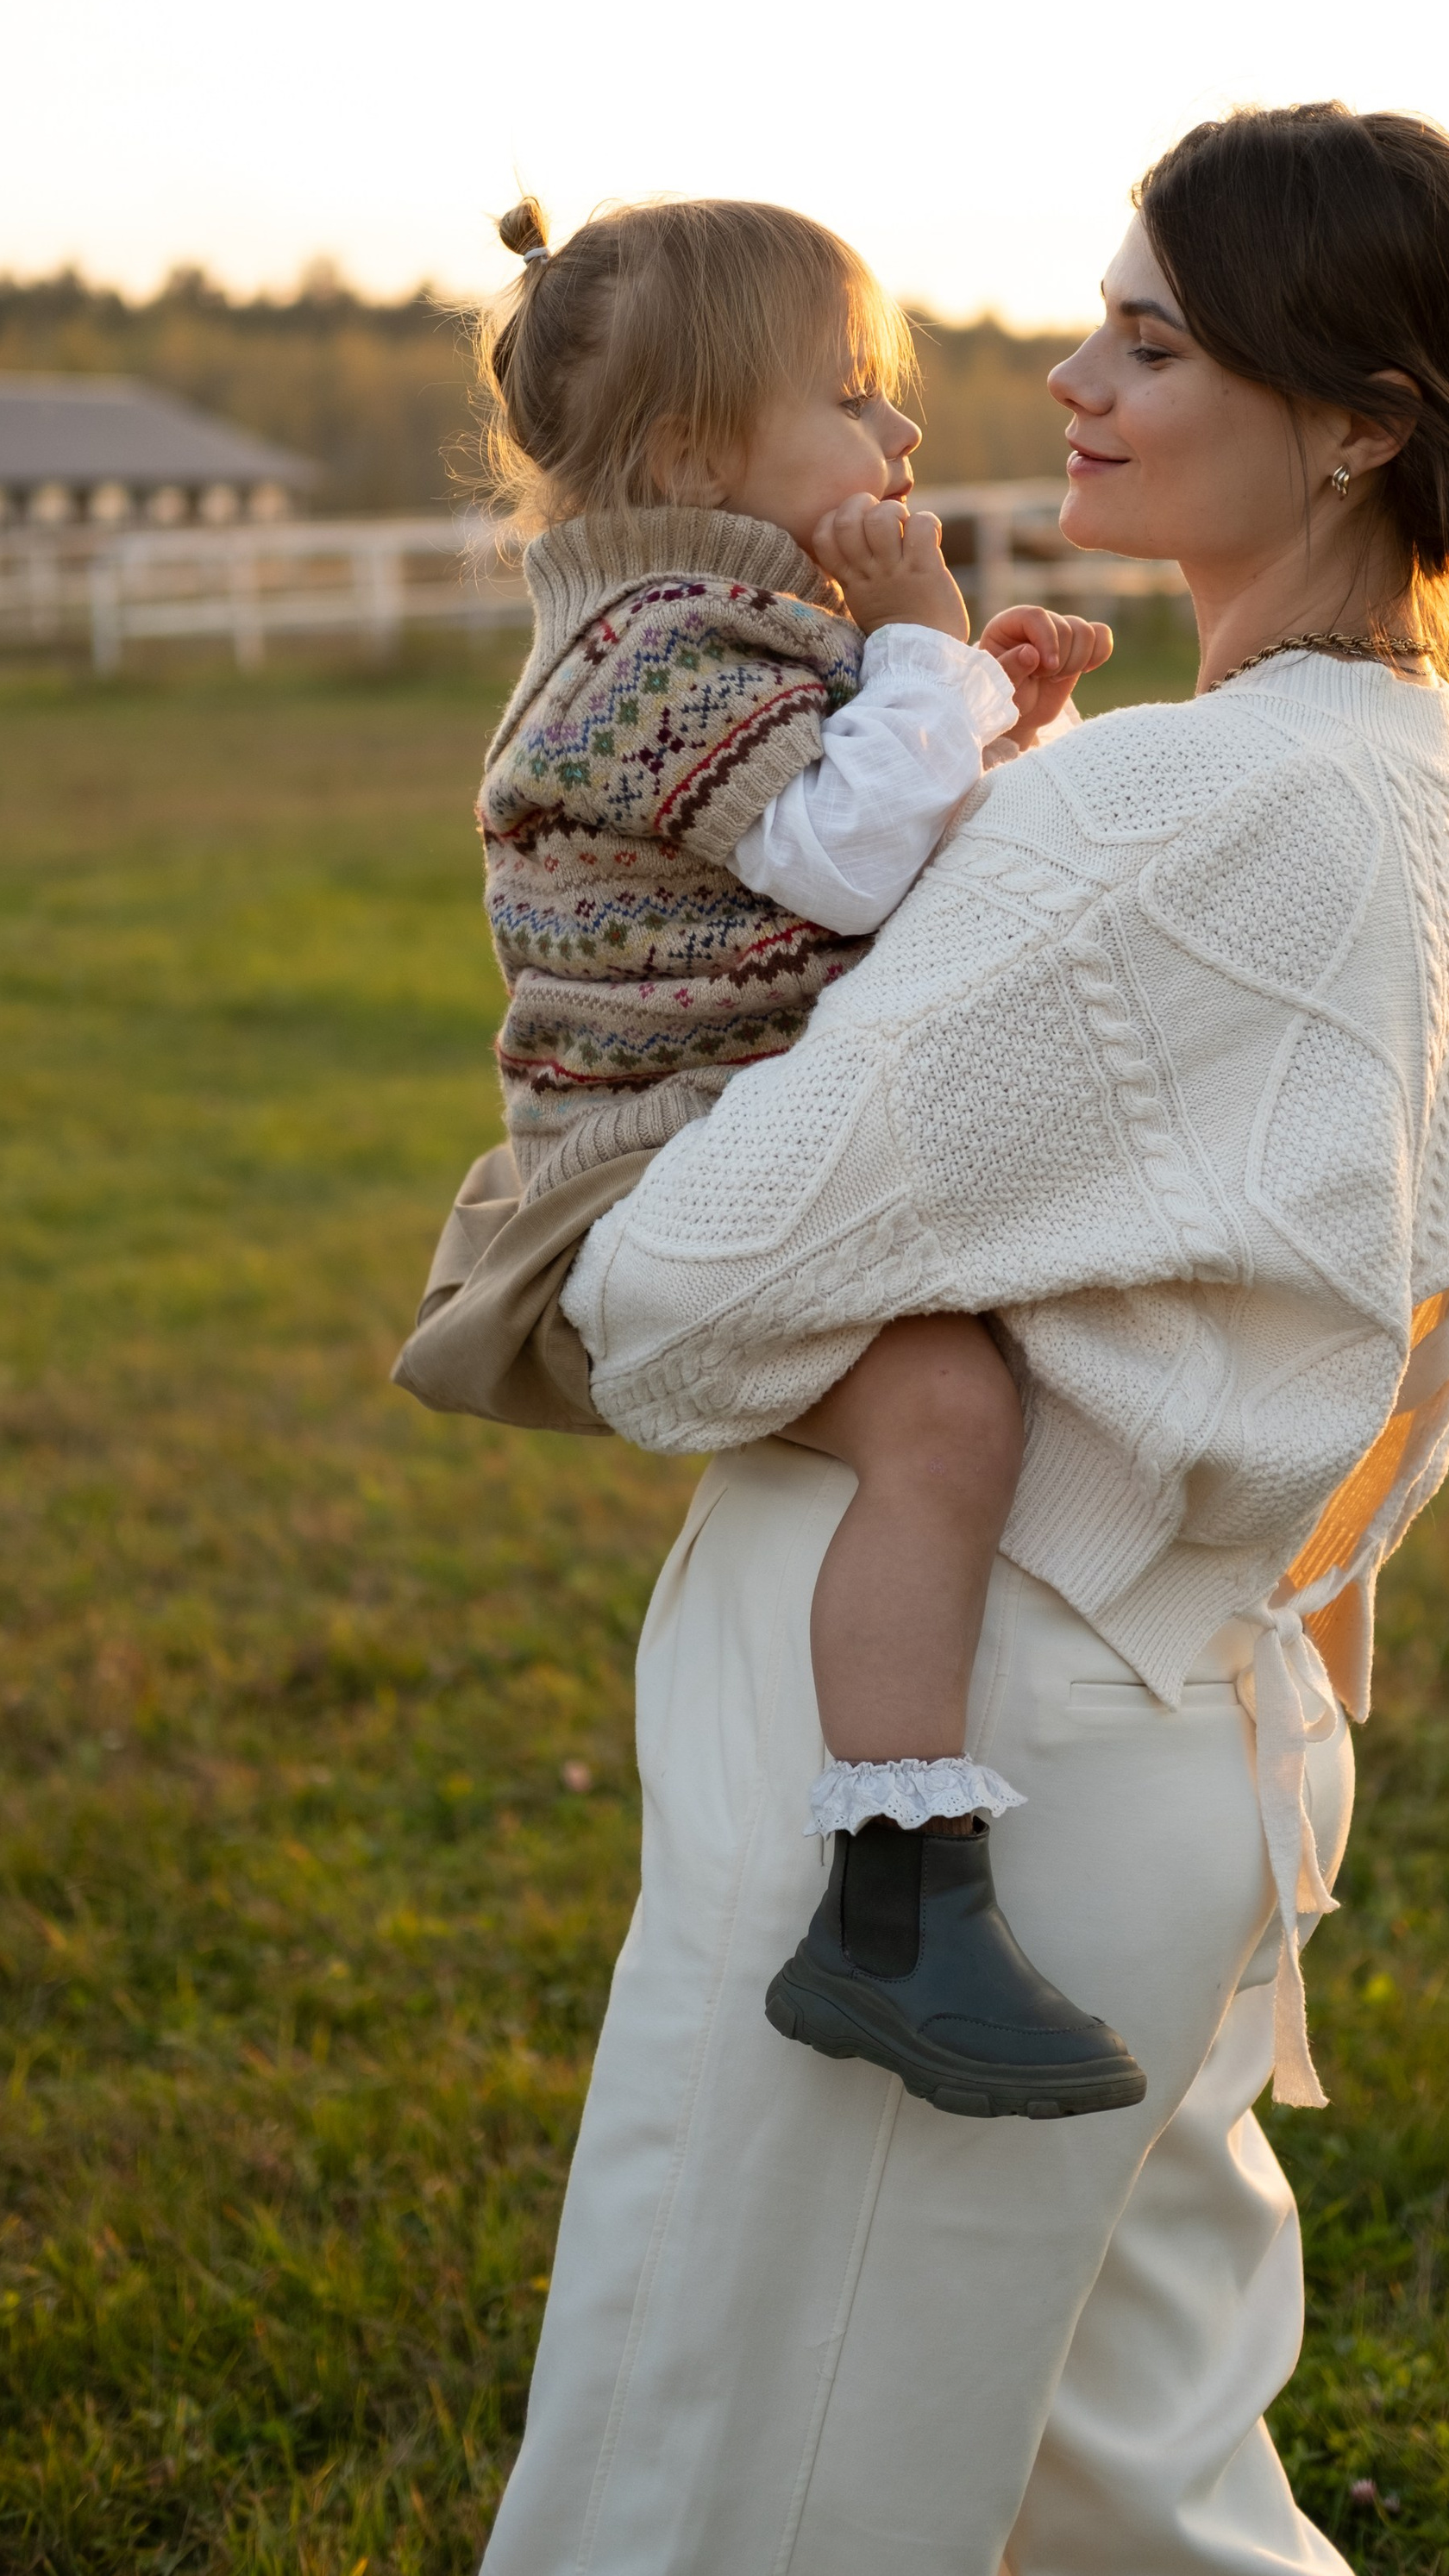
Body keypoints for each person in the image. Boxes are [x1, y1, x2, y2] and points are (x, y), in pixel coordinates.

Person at [474, 104, 1449, 2576]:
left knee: (729, 2492)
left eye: (1152, 341)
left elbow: (675, 1294)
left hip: (959, 1744)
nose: (1071, 380)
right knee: (1139, 2508)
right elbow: (1414, 1299)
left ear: (1356, 422)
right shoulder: (1383, 761)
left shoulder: (1165, 808)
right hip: (1170, 1727)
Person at [470, 191, 1140, 2115]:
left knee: (977, 1377)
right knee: (944, 1411)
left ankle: (924, 1879)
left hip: (749, 1130)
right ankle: (895, 1905)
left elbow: (872, 848)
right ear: (694, 455)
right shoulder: (645, 651)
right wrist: (922, 648)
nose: (900, 433)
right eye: (852, 395)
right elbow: (844, 863)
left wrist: (989, 714)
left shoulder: (737, 630)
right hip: (648, 1171)